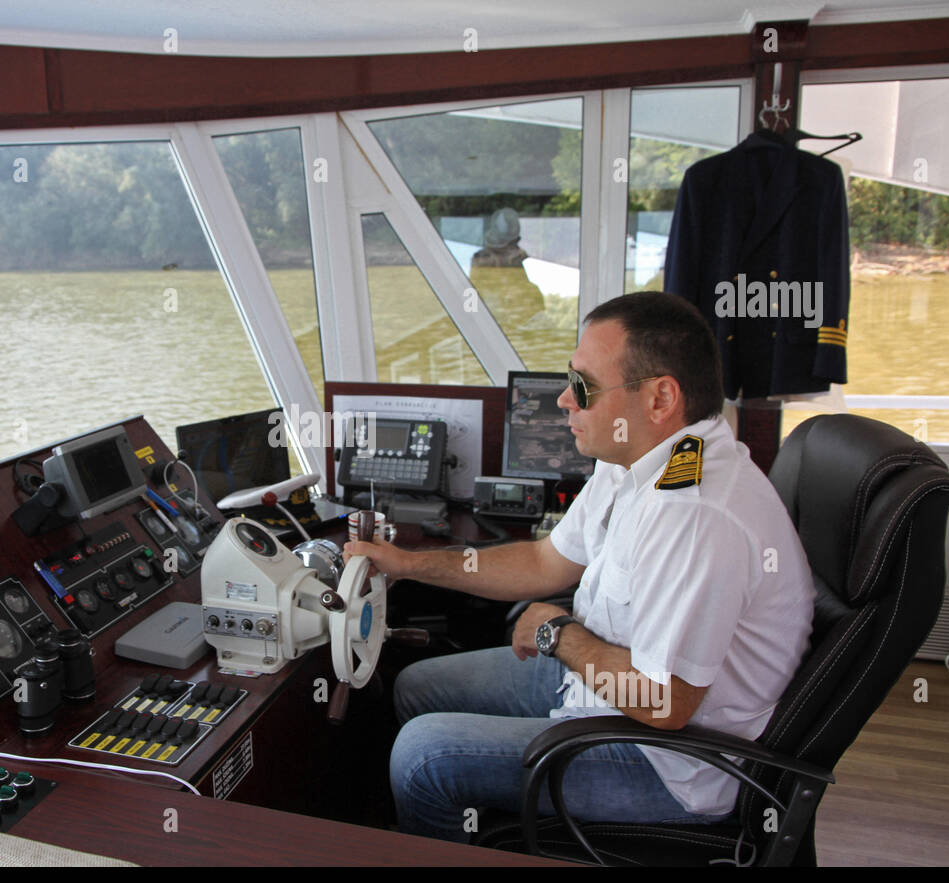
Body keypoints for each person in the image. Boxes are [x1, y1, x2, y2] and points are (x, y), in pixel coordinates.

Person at [345, 291, 815, 844]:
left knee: (422, 756)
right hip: (604, 689)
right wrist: (408, 565)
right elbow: (545, 561)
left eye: (584, 386)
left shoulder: (696, 514)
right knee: (417, 686)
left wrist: (557, 634)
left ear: (660, 397)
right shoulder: (638, 461)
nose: (564, 400)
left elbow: (665, 705)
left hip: (667, 761)